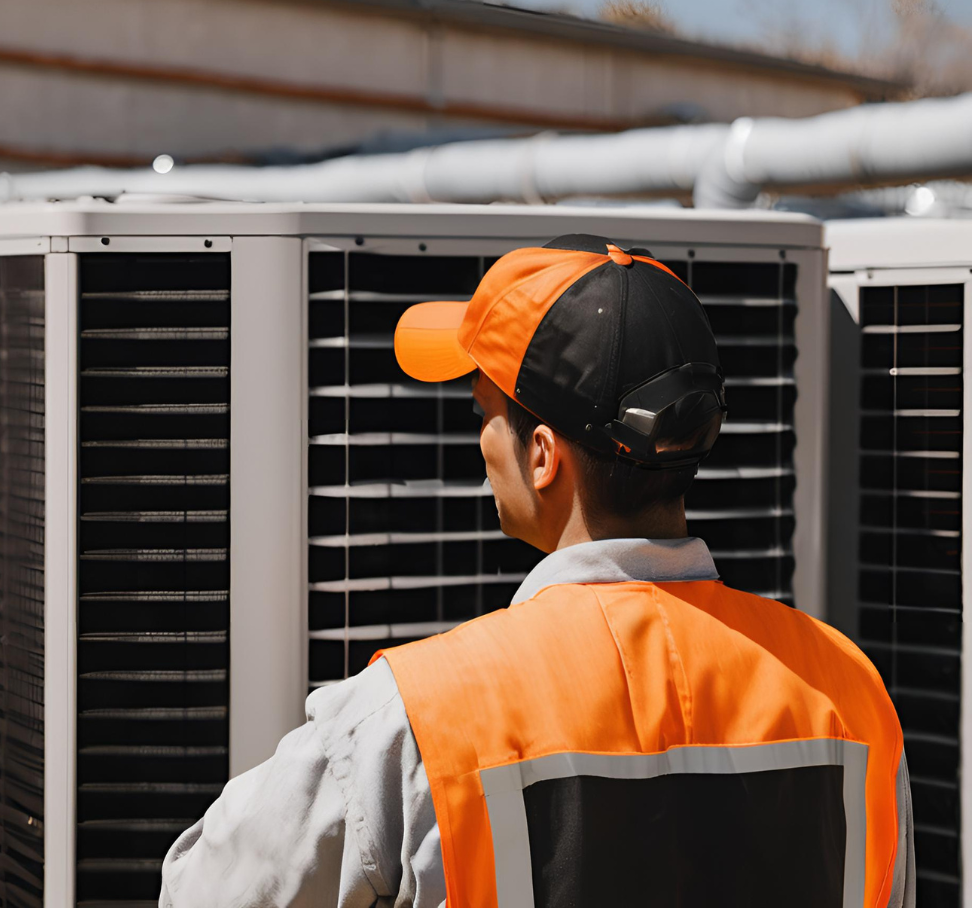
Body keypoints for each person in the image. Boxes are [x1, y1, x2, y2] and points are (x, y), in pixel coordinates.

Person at [160, 233, 914, 908]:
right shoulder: (850, 693)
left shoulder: (415, 717)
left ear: (544, 455)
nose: (481, 444)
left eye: (482, 413)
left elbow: (203, 892)